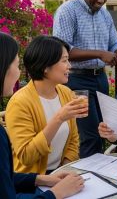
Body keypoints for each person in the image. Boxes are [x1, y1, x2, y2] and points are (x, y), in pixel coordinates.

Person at [53, 0, 117, 158]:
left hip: (100, 79)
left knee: (105, 130)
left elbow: (114, 42)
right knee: (90, 135)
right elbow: (63, 50)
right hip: (76, 80)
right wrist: (99, 53)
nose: (101, 0)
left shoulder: (105, 14)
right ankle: (89, 179)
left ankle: (97, 172)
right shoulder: (67, 10)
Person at [0, 32, 84, 198]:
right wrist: (59, 118)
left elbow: (74, 139)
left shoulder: (66, 93)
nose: (70, 66)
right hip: (30, 187)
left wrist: (65, 170)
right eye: (64, 60)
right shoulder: (20, 102)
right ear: (46, 67)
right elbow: (26, 156)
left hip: (53, 177)